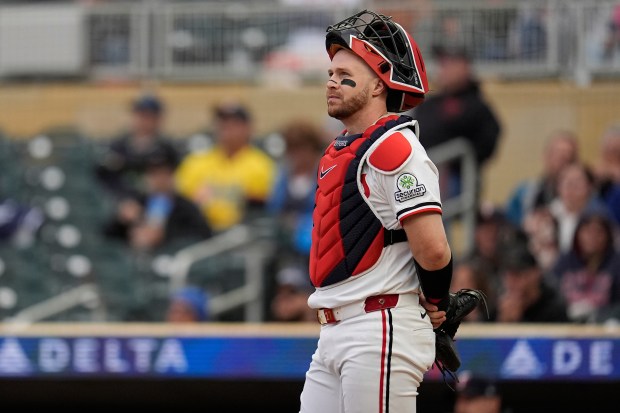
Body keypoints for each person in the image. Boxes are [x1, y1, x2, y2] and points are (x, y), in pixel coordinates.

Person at [300, 10, 455, 413]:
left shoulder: (394, 147)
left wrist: (437, 301)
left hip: (378, 326)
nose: (332, 81)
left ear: (377, 83)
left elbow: (434, 250)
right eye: (330, 73)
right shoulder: (342, 149)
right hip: (335, 330)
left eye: (344, 73)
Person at [412, 43, 501, 201]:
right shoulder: (429, 103)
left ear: (464, 66)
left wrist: (458, 159)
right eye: (442, 63)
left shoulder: (476, 105)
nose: (443, 68)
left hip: (455, 178)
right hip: (422, 173)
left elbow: (488, 139)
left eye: (449, 63)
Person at [175, 102, 276, 232]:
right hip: (201, 232)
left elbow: (263, 209)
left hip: (243, 235)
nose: (226, 127)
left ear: (248, 128)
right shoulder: (196, 162)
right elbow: (180, 200)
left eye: (234, 123)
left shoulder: (262, 166)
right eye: (222, 122)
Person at [103, 151, 211, 251]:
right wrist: (121, 221)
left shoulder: (186, 207)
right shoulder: (138, 203)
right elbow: (107, 236)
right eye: (154, 174)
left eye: (164, 174)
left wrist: (164, 236)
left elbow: (201, 237)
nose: (159, 180)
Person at [95, 94, 179, 201]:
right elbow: (105, 178)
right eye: (140, 115)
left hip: (156, 203)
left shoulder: (167, 148)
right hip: (123, 204)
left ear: (158, 119)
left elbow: (173, 181)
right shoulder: (118, 146)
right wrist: (121, 202)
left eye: (149, 116)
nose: (144, 121)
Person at [552, 207, 620, 322]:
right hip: (566, 325)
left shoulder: (616, 263)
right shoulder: (565, 262)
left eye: (598, 232)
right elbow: (551, 295)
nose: (592, 237)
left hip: (606, 328)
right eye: (587, 231)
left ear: (607, 235)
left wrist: (599, 314)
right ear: (577, 234)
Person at [506, 130, 579, 226]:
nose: (562, 162)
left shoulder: (582, 197)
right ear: (546, 156)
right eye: (557, 155)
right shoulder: (524, 193)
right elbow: (509, 222)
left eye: (567, 158)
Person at [493, 242, 568, 323]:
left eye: (518, 274)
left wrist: (518, 321)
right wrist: (504, 320)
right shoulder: (500, 304)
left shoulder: (553, 308)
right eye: (508, 275)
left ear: (536, 274)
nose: (511, 282)